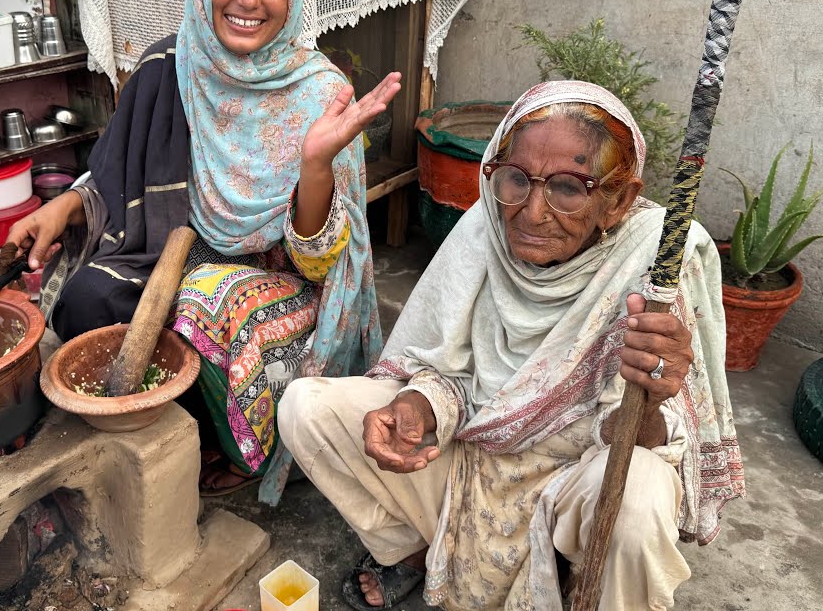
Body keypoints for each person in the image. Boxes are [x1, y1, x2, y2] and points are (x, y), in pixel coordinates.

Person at [278, 80, 745, 610]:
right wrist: (418, 406)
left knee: (641, 496)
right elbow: (451, 368)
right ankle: (415, 548)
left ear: (617, 201)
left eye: (569, 187)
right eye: (516, 179)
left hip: (575, 489)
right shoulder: (487, 228)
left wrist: (653, 399)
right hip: (473, 459)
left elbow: (651, 444)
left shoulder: (654, 263)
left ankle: (586, 586)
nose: (532, 211)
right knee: (305, 407)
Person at [7, 0, 399, 502]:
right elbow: (120, 169)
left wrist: (315, 165)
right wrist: (64, 206)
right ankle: (179, 428)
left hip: (279, 278)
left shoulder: (321, 95)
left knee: (207, 303)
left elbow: (321, 264)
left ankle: (248, 446)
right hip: (177, 248)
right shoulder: (170, 64)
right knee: (88, 299)